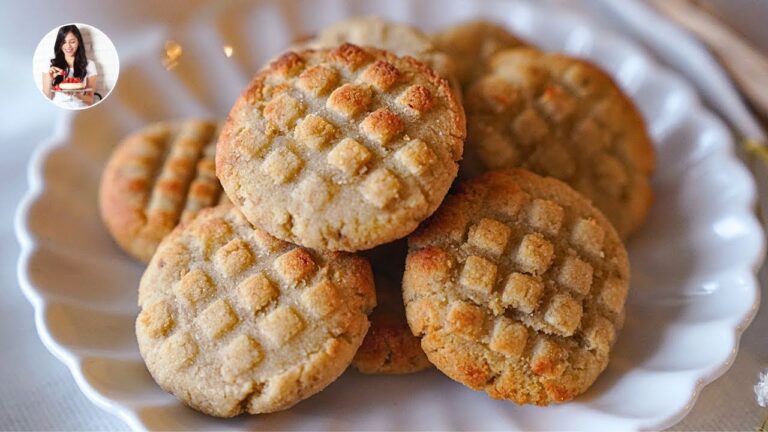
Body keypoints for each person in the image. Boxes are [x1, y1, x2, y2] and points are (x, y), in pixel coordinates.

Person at [42, 25, 98, 109]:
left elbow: (90, 100)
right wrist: (50, 78)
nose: (68, 46)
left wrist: (77, 95)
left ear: (78, 42)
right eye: (64, 42)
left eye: (72, 42)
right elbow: (46, 98)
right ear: (59, 43)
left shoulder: (89, 64)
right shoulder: (50, 64)